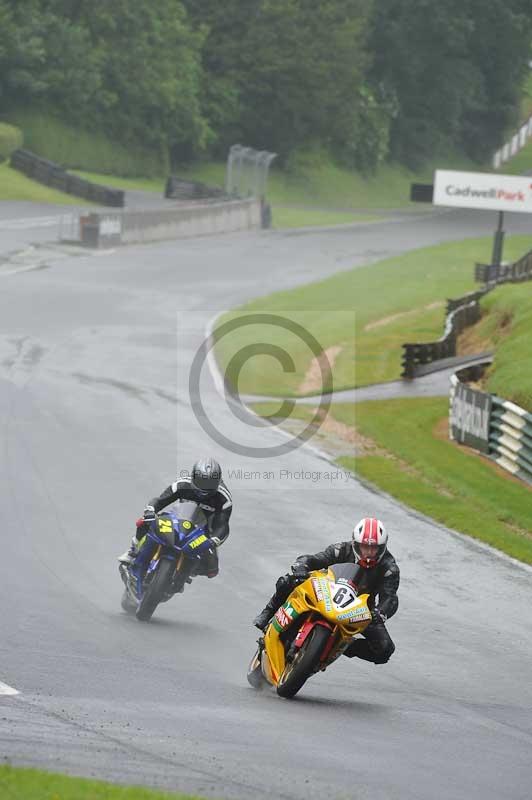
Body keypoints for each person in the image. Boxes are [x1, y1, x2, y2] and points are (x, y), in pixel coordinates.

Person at [253, 517, 399, 665]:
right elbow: (313, 559)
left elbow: (390, 598)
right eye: (364, 547)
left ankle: (345, 646)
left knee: (385, 649)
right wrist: (301, 567)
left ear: (382, 548)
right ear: (355, 544)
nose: (369, 552)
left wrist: (381, 612)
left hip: (359, 611)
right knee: (288, 580)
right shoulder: (341, 549)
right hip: (326, 592)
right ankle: (268, 613)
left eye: (374, 548)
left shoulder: (389, 568)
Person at [119, 457, 232, 579]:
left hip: (203, 532)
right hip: (178, 520)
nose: (204, 488)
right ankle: (132, 551)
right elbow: (160, 501)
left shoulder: (224, 499)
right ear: (193, 477)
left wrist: (214, 540)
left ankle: (185, 574)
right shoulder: (182, 485)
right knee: (144, 521)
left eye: (209, 484)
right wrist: (151, 510)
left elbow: (222, 525)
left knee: (212, 570)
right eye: (201, 482)